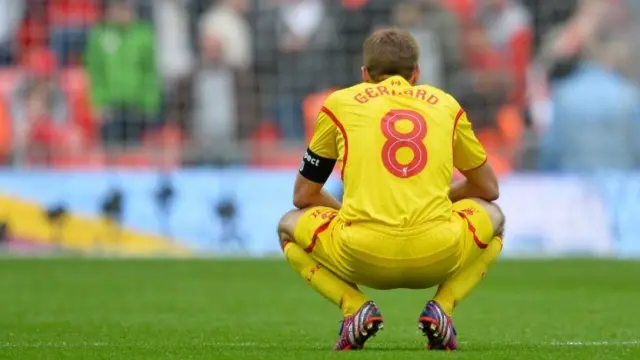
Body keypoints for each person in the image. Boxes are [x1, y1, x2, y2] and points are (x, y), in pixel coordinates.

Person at [277, 28, 505, 351]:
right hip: (437, 253)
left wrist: (349, 212)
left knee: (287, 226)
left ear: (364, 74)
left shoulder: (338, 104)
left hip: (360, 254)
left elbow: (303, 196)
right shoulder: (446, 105)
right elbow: (488, 187)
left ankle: (354, 306)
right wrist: (439, 199)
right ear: (416, 73)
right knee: (495, 218)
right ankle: (443, 307)